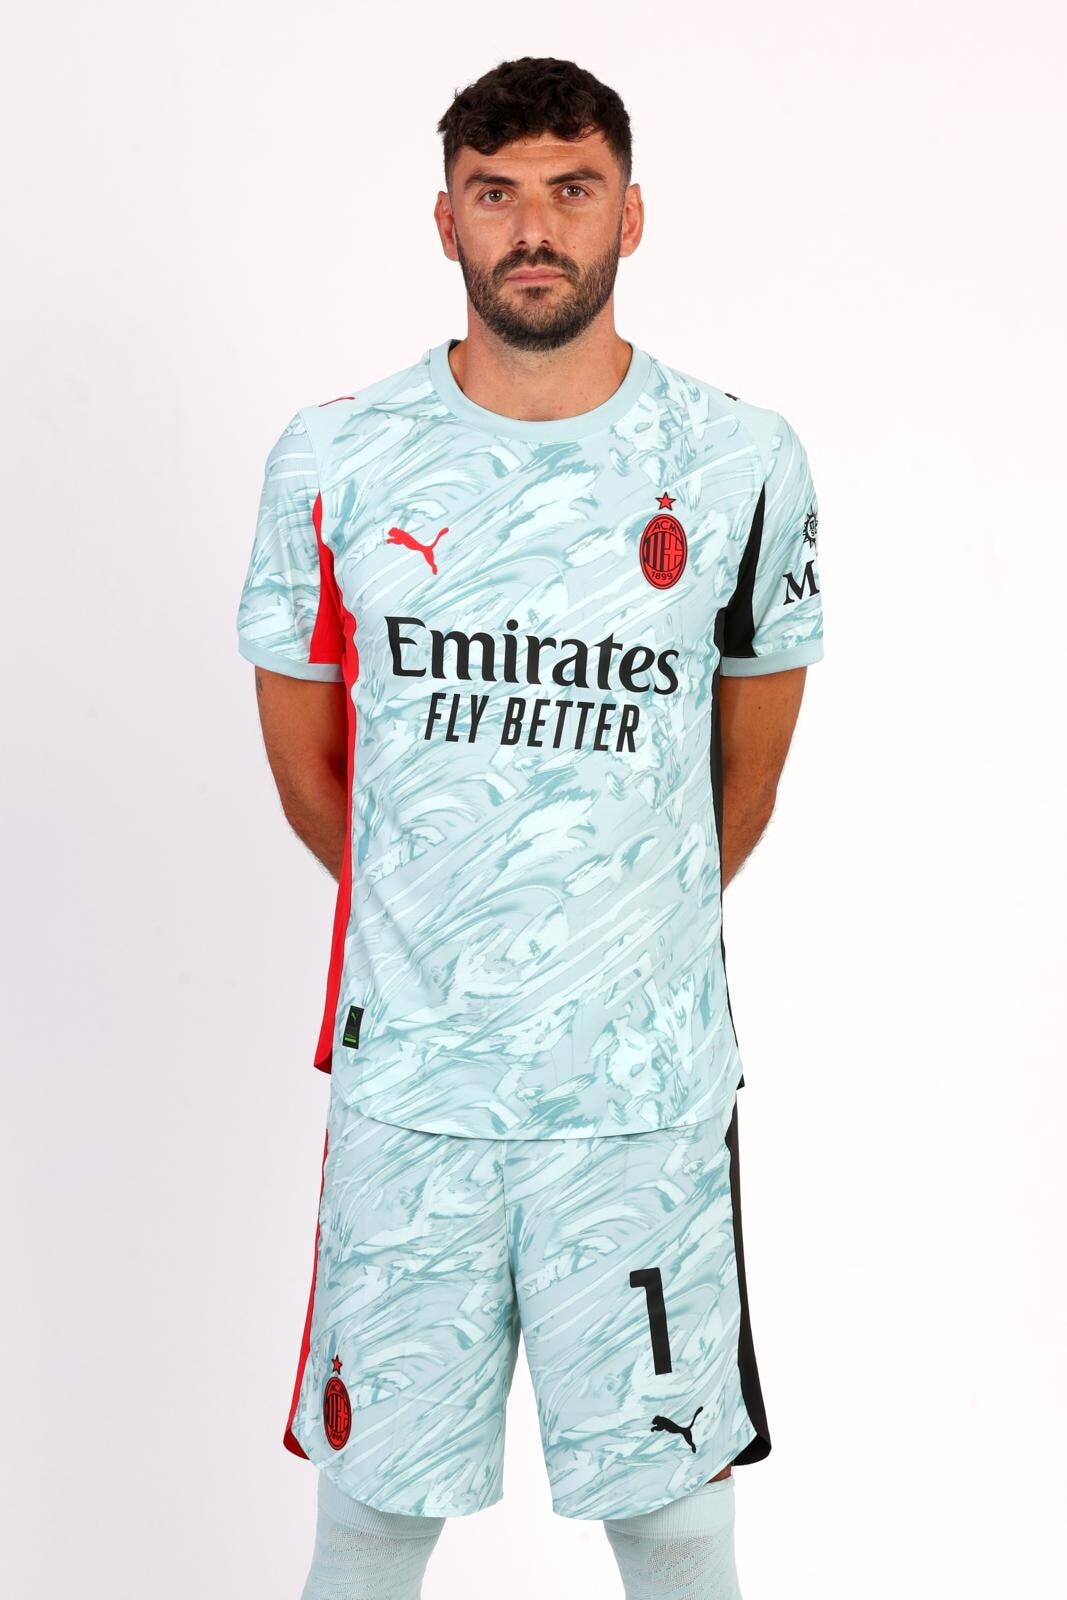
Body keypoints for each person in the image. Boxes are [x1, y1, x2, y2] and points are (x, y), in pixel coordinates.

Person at [236, 54, 824, 1600]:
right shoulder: (336, 458)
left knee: (676, 1518)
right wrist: (447, 922)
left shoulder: (739, 463)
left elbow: (743, 779)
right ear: (447, 221)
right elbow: (310, 769)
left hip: (641, 1104)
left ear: (632, 212)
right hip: (413, 1100)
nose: (534, 229)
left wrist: (606, 934)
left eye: (572, 190)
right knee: (371, 1516)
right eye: (495, 195)